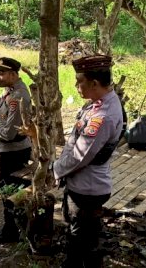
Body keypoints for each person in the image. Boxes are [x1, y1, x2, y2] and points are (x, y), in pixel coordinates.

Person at [53, 55, 125, 267]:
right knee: (83, 238)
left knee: (80, 244)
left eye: (79, 81)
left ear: (94, 83)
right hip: (83, 185)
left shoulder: (102, 115)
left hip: (87, 189)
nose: (76, 86)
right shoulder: (98, 104)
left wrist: (55, 169)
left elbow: (80, 156)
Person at [0, 57, 33, 243]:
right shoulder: (8, 92)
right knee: (9, 190)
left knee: (11, 191)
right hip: (8, 150)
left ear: (13, 74)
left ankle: (13, 230)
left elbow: (9, 133)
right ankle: (16, 228)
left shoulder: (18, 96)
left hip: (14, 151)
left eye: (2, 73)